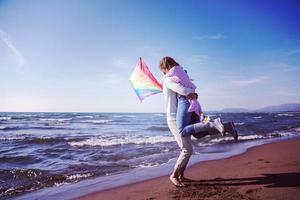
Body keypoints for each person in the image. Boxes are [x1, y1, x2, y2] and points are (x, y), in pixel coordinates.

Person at [159, 56, 238, 187]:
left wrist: (192, 93)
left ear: (164, 68)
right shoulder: (175, 78)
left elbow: (184, 91)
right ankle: (226, 126)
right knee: (196, 137)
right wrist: (194, 94)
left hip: (175, 116)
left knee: (186, 149)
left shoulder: (168, 80)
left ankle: (174, 175)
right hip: (182, 113)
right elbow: (188, 90)